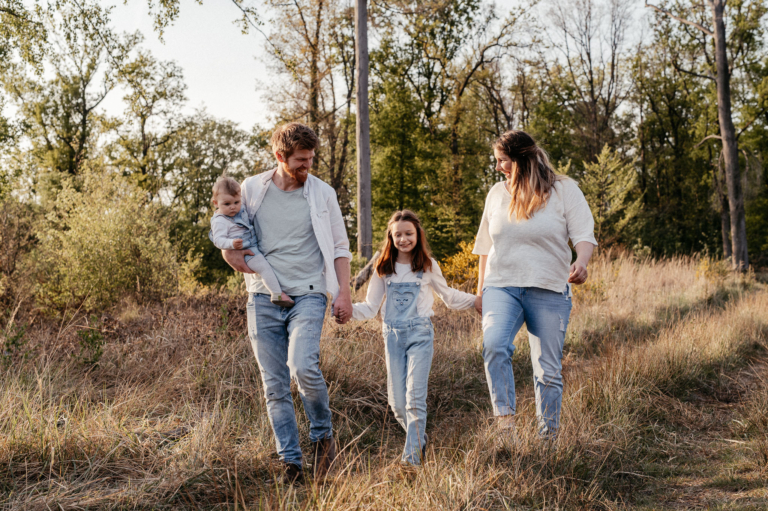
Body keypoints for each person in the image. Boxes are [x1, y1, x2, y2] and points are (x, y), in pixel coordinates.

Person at [221, 122, 353, 482]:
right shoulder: (252, 188)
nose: (306, 166)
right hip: (263, 296)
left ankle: (323, 437)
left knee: (302, 366)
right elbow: (230, 229)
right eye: (299, 160)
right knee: (274, 384)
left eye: (310, 159)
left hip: (309, 292)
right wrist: (233, 258)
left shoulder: (322, 192)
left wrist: (344, 292)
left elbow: (340, 248)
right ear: (279, 157)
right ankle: (290, 463)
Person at [473, 130, 597, 439]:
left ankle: (548, 440)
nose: (499, 167)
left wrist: (581, 262)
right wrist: (480, 292)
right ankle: (505, 427)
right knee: (494, 345)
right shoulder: (496, 194)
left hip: (549, 289)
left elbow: (584, 235)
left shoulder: (564, 190)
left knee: (547, 370)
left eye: (503, 161)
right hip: (502, 287)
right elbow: (484, 247)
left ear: (522, 160)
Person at [351, 210, 480, 465]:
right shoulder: (382, 268)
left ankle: (411, 461)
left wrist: (476, 301)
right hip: (392, 336)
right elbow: (370, 307)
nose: (403, 239)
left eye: (408, 234)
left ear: (417, 235)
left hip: (420, 334)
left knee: (414, 397)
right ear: (391, 236)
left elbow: (449, 297)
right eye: (397, 234)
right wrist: (343, 309)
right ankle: (419, 438)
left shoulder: (428, 265)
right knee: (397, 403)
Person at [209, 176, 295, 307]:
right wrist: (231, 244)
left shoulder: (241, 209)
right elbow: (218, 240)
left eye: (236, 202)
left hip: (254, 243)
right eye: (227, 204)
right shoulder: (220, 220)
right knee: (264, 268)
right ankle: (277, 294)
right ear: (216, 203)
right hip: (245, 250)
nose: (233, 207)